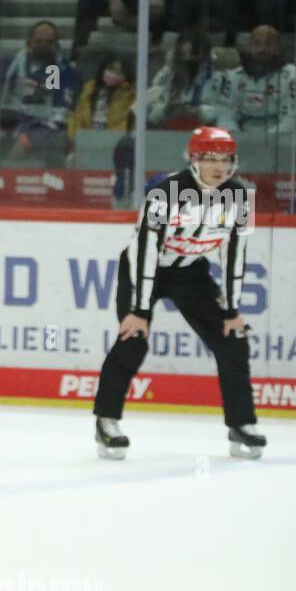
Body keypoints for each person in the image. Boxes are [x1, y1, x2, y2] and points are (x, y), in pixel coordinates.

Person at [93, 127, 266, 460]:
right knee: (133, 339)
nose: (218, 167)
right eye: (210, 159)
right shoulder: (165, 193)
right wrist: (140, 310)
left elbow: (234, 254)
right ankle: (107, 421)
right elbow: (145, 250)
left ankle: (242, 424)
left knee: (233, 338)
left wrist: (231, 310)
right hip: (145, 268)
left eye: (225, 159)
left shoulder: (240, 197)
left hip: (191, 272)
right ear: (194, 160)